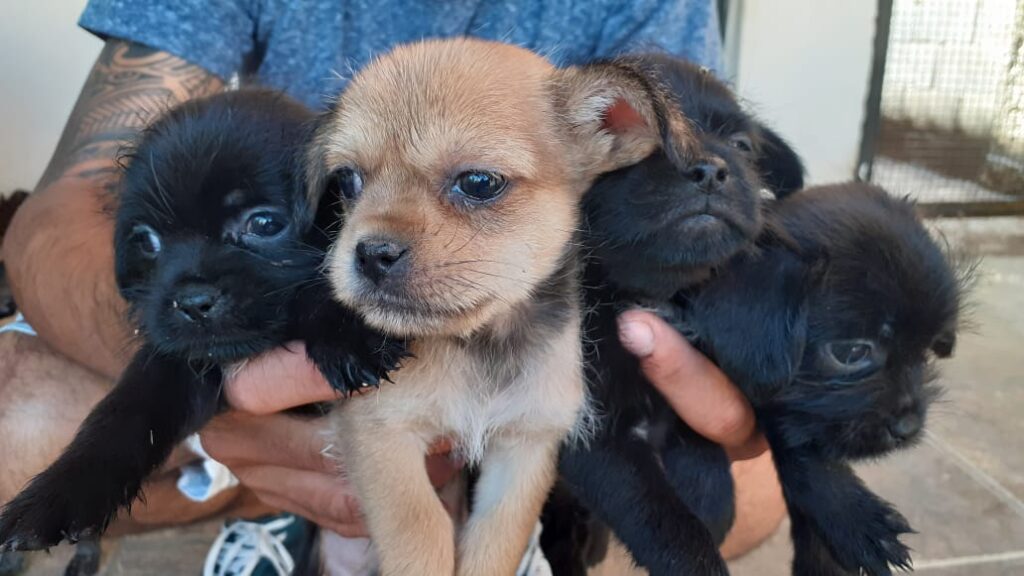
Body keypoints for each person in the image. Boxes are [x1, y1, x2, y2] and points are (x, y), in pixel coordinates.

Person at [0, 0, 784, 572]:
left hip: (538, 346)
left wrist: (764, 361)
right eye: (352, 178)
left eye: (477, 183)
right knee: (12, 415)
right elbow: (65, 205)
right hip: (301, 334)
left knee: (753, 490)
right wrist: (207, 386)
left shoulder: (611, 83)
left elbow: (687, 167)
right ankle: (297, 509)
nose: (378, 235)